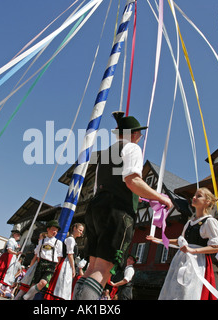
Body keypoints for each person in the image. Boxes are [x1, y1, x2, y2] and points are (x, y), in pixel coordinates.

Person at [73, 112, 172, 300]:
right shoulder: (133, 149)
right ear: (134, 134)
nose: (140, 138)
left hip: (96, 209)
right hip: (117, 212)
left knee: (91, 267)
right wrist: (161, 197)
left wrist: (141, 197)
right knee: (103, 269)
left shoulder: (105, 153)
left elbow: (110, 185)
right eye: (139, 134)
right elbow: (132, 180)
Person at [147, 187, 218, 300]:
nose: (194, 197)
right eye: (194, 195)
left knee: (188, 291)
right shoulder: (189, 222)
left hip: (197, 261)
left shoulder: (209, 222)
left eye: (199, 196)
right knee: (174, 288)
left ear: (207, 202)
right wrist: (159, 240)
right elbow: (180, 241)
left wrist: (193, 250)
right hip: (181, 259)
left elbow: (216, 247)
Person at [23, 220, 63, 300]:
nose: (55, 232)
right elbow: (37, 253)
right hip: (41, 263)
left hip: (51, 264)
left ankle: (26, 296)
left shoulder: (58, 243)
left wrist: (55, 265)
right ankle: (28, 298)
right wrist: (36, 262)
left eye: (56, 230)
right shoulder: (42, 241)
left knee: (43, 283)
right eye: (53, 229)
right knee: (34, 283)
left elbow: (59, 256)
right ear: (48, 229)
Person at [44, 223, 85, 300]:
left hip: (68, 264)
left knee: (64, 286)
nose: (81, 232)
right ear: (74, 228)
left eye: (82, 231)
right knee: (61, 285)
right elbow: (70, 254)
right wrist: (73, 268)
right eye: (80, 230)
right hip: (65, 264)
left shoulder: (72, 240)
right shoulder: (70, 239)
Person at [0, 230, 22, 297]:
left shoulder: (14, 242)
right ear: (14, 234)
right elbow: (9, 250)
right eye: (18, 235)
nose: (19, 236)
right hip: (7, 258)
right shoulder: (11, 240)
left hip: (10, 258)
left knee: (3, 275)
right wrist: (16, 253)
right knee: (0, 274)